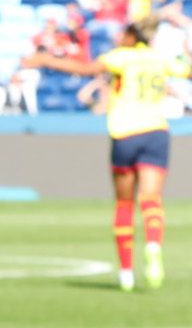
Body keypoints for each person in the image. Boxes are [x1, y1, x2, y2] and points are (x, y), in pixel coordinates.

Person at [28, 19, 189, 291]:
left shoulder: (121, 57)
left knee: (124, 203)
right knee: (151, 199)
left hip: (126, 132)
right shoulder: (158, 59)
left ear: (130, 36)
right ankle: (152, 245)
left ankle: (126, 271)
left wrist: (45, 60)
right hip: (157, 132)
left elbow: (84, 68)